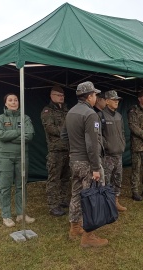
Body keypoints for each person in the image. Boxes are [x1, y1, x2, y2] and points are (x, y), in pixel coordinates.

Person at [62, 81, 108, 248]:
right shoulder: (90, 114)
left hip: (74, 160)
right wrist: (96, 167)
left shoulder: (70, 112)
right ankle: (89, 236)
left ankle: (74, 228)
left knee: (76, 194)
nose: (96, 97)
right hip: (88, 163)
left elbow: (64, 136)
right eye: (95, 94)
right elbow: (92, 144)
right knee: (92, 198)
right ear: (89, 96)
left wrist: (71, 151)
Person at [0, 93, 35, 227]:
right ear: (5, 103)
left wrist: (9, 136)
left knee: (21, 186)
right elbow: (0, 135)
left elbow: (29, 136)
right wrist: (18, 132)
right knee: (5, 187)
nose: (13, 102)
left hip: (22, 156)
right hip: (5, 157)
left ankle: (21, 214)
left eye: (16, 100)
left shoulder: (25, 118)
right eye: (10, 100)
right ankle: (6, 216)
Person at [41, 85, 71, 217]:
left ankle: (64, 200)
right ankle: (53, 205)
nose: (61, 97)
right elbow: (50, 129)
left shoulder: (66, 111)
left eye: (62, 95)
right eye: (59, 95)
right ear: (51, 96)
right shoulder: (47, 111)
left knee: (66, 177)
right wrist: (67, 132)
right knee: (54, 179)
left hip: (68, 149)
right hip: (56, 150)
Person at [98, 90, 127, 211]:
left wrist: (122, 144)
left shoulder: (119, 116)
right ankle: (105, 204)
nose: (116, 102)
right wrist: (107, 145)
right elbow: (98, 135)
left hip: (118, 154)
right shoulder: (100, 116)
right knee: (106, 180)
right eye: (114, 100)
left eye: (117, 100)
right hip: (108, 156)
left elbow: (123, 133)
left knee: (118, 179)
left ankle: (115, 202)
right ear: (107, 101)